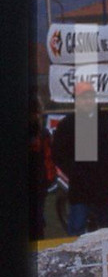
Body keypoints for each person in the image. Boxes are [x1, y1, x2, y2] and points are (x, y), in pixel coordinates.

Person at [50, 81, 108, 234]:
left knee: (107, 232)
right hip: (80, 190)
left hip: (104, 190)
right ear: (76, 101)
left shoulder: (107, 125)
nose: (87, 101)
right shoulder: (67, 125)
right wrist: (73, 172)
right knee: (77, 232)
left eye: (90, 97)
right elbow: (58, 153)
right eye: (83, 98)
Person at [29, 93, 57, 241]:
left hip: (38, 185)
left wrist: (48, 179)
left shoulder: (43, 135)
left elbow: (49, 158)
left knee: (37, 220)